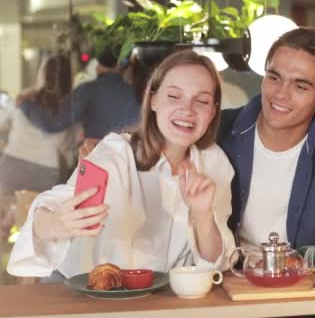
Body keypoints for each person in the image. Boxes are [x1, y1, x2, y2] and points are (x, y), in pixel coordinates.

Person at [8, 50, 236, 279]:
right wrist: (58, 223)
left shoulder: (214, 163)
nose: (187, 109)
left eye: (202, 100)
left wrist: (203, 215)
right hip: (91, 292)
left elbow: (217, 264)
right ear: (153, 99)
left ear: (213, 111)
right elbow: (54, 208)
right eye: (174, 96)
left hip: (164, 302)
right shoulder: (116, 153)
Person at [218, 28, 315, 255]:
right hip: (227, 280)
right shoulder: (219, 132)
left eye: (300, 86)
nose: (281, 94)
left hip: (304, 285)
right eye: (274, 77)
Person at [21, 48, 140, 139]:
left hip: (100, 158)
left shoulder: (87, 90)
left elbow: (52, 124)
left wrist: (24, 104)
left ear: (99, 65)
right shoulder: (136, 92)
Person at [0, 54, 76, 195]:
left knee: (6, 215)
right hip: (45, 169)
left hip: (12, 164)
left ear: (42, 73)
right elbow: (69, 146)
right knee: (35, 215)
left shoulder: (24, 98)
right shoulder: (69, 108)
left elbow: (4, 125)